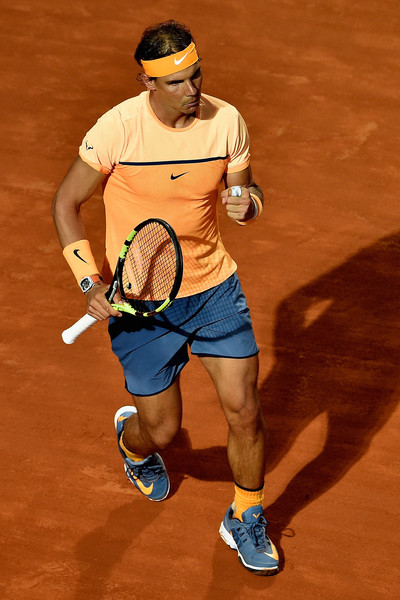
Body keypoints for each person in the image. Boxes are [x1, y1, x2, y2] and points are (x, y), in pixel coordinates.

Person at [52, 20, 279, 576]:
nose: (192, 90)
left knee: (246, 408)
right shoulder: (118, 129)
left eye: (196, 76)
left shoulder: (226, 122)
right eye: (176, 82)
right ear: (147, 83)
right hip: (141, 305)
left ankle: (246, 515)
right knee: (163, 431)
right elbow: (65, 203)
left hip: (212, 288)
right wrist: (89, 282)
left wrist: (250, 204)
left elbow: (247, 189)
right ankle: (134, 446)